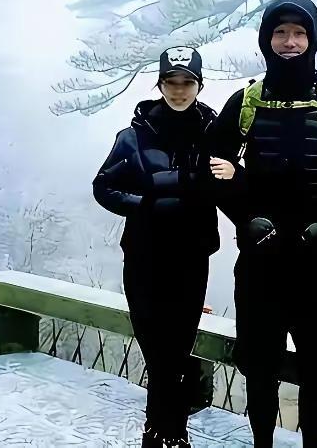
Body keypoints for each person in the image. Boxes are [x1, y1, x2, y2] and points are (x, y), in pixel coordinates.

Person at [208, 0, 317, 447]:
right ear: (266, 40)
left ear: (313, 39)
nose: (290, 42)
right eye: (281, 33)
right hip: (261, 263)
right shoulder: (246, 102)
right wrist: (244, 218)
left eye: (299, 33)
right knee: (259, 366)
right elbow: (209, 168)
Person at [93, 46, 234, 448]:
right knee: (156, 347)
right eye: (171, 82)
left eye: (187, 82)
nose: (179, 90)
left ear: (200, 85)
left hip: (192, 254)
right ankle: (165, 431)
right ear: (159, 84)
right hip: (144, 254)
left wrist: (234, 173)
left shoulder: (215, 134)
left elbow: (238, 184)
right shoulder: (133, 136)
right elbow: (103, 186)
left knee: (178, 347)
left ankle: (166, 433)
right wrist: (145, 205)